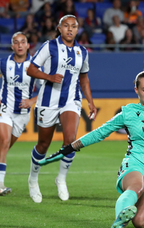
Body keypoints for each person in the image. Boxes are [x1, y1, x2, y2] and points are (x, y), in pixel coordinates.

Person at [37, 70, 144, 228]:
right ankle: (120, 218)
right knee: (136, 186)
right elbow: (99, 133)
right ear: (136, 90)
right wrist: (69, 148)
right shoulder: (128, 112)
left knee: (140, 222)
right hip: (135, 164)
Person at [26, 15, 97, 203]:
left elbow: (84, 79)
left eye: (74, 26)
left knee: (71, 140)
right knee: (43, 145)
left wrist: (90, 101)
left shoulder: (82, 51)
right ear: (59, 28)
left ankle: (61, 179)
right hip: (48, 101)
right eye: (66, 26)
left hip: (71, 100)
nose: (70, 29)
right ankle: (33, 179)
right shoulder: (49, 46)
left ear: (78, 29)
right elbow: (31, 69)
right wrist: (48, 77)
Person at [0, 32, 38, 195]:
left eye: (23, 42)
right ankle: (0, 184)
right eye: (17, 42)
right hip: (5, 109)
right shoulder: (4, 63)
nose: (20, 45)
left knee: (4, 147)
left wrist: (32, 101)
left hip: (23, 115)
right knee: (4, 141)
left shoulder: (35, 66)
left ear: (28, 45)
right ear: (12, 46)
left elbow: (47, 88)